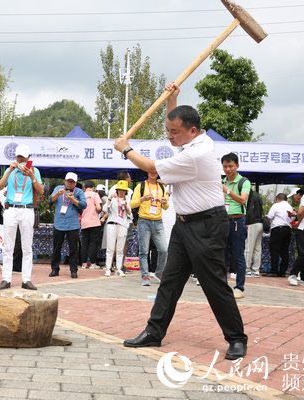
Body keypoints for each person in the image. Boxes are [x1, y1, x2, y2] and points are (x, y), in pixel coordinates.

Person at [115, 82, 247, 360]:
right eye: (168, 131)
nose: (170, 137)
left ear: (193, 131)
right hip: (185, 225)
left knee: (214, 284)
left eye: (175, 132)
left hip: (208, 225)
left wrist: (126, 149)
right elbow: (176, 126)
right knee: (170, 281)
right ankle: (154, 331)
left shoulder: (197, 154)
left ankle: (237, 338)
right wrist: (171, 100)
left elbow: (151, 167)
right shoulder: (194, 141)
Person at [0, 144, 43, 290]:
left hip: (27, 209)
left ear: (29, 158)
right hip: (11, 209)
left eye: (23, 157)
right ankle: (6, 279)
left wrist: (32, 176)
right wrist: (10, 169)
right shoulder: (10, 170)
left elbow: (40, 191)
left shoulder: (34, 171)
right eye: (18, 157)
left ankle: (26, 279)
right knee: (8, 246)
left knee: (27, 247)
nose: (21, 160)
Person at [131, 171, 169, 284]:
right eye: (150, 171)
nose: (153, 173)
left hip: (158, 221)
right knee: (144, 251)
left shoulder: (162, 187)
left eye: (155, 171)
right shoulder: (141, 185)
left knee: (164, 250)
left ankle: (159, 272)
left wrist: (164, 202)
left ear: (158, 173)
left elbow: (166, 207)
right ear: (147, 173)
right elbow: (132, 204)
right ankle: (145, 276)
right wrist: (142, 199)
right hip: (144, 221)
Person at [221, 152, 250, 300]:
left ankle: (239, 287)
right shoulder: (222, 181)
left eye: (231, 166)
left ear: (237, 166)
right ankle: (223, 286)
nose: (228, 169)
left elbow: (242, 200)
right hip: (222, 221)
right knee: (222, 254)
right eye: (225, 166)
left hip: (238, 221)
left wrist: (227, 191)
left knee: (238, 255)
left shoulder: (243, 182)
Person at [49, 172, 87, 279]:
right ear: (65, 181)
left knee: (73, 249)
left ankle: (73, 270)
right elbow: (50, 199)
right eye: (68, 181)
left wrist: (73, 199)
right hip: (59, 223)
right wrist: (58, 194)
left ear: (75, 183)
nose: (69, 184)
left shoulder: (78, 192)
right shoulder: (58, 188)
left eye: (72, 182)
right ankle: (54, 269)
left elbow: (84, 205)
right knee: (56, 248)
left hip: (73, 225)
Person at [102, 180, 131, 278]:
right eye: (120, 190)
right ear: (117, 190)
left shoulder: (127, 200)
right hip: (112, 224)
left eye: (123, 190)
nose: (121, 192)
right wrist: (109, 199)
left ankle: (119, 269)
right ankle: (108, 268)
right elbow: (105, 209)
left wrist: (126, 207)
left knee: (120, 249)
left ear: (126, 191)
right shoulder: (113, 199)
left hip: (122, 225)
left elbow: (130, 215)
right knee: (110, 248)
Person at [265, 193, 294, 277]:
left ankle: (274, 271)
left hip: (278, 229)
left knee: (274, 250)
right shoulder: (290, 207)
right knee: (284, 251)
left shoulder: (276, 205)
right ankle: (282, 271)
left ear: (277, 198)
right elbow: (292, 218)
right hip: (288, 229)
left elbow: (270, 216)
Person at [80, 181, 102, 269]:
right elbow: (98, 208)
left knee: (84, 243)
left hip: (84, 222)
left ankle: (84, 263)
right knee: (93, 243)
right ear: (93, 187)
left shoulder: (82, 195)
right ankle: (92, 263)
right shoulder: (95, 195)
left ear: (85, 187)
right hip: (94, 222)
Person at [244, 188, 264, 278]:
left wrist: (247, 222)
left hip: (252, 223)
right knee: (257, 248)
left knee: (249, 247)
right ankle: (256, 270)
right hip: (260, 223)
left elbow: (250, 209)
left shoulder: (250, 195)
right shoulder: (257, 195)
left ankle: (247, 269)